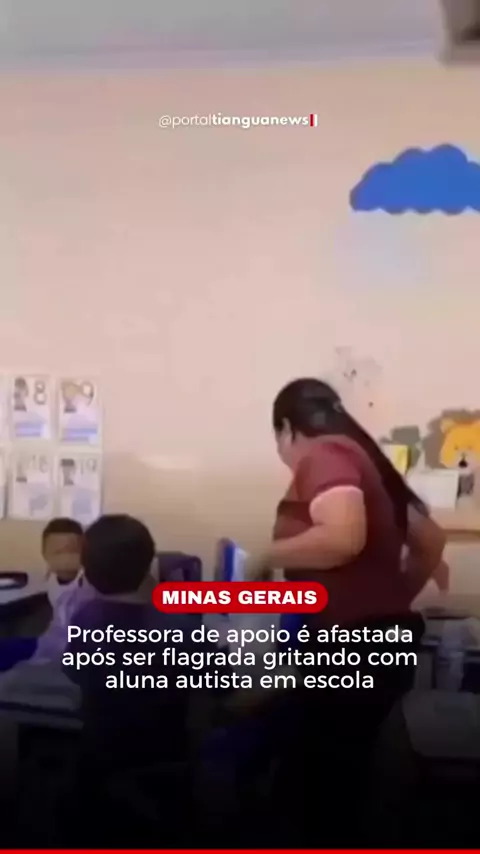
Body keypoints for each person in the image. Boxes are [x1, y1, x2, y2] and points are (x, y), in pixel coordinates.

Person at [245, 378, 447, 845]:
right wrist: (392, 599)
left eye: (278, 439)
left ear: (287, 429)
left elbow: (342, 537)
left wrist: (266, 555)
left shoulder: (324, 454)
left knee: (317, 793)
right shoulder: (364, 460)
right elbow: (431, 541)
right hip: (380, 641)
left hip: (349, 646)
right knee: (340, 782)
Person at [62, 514, 208, 846]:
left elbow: (73, 671)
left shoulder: (85, 619)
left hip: (98, 761)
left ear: (88, 570)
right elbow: (223, 687)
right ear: (149, 565)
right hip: (162, 762)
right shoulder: (181, 629)